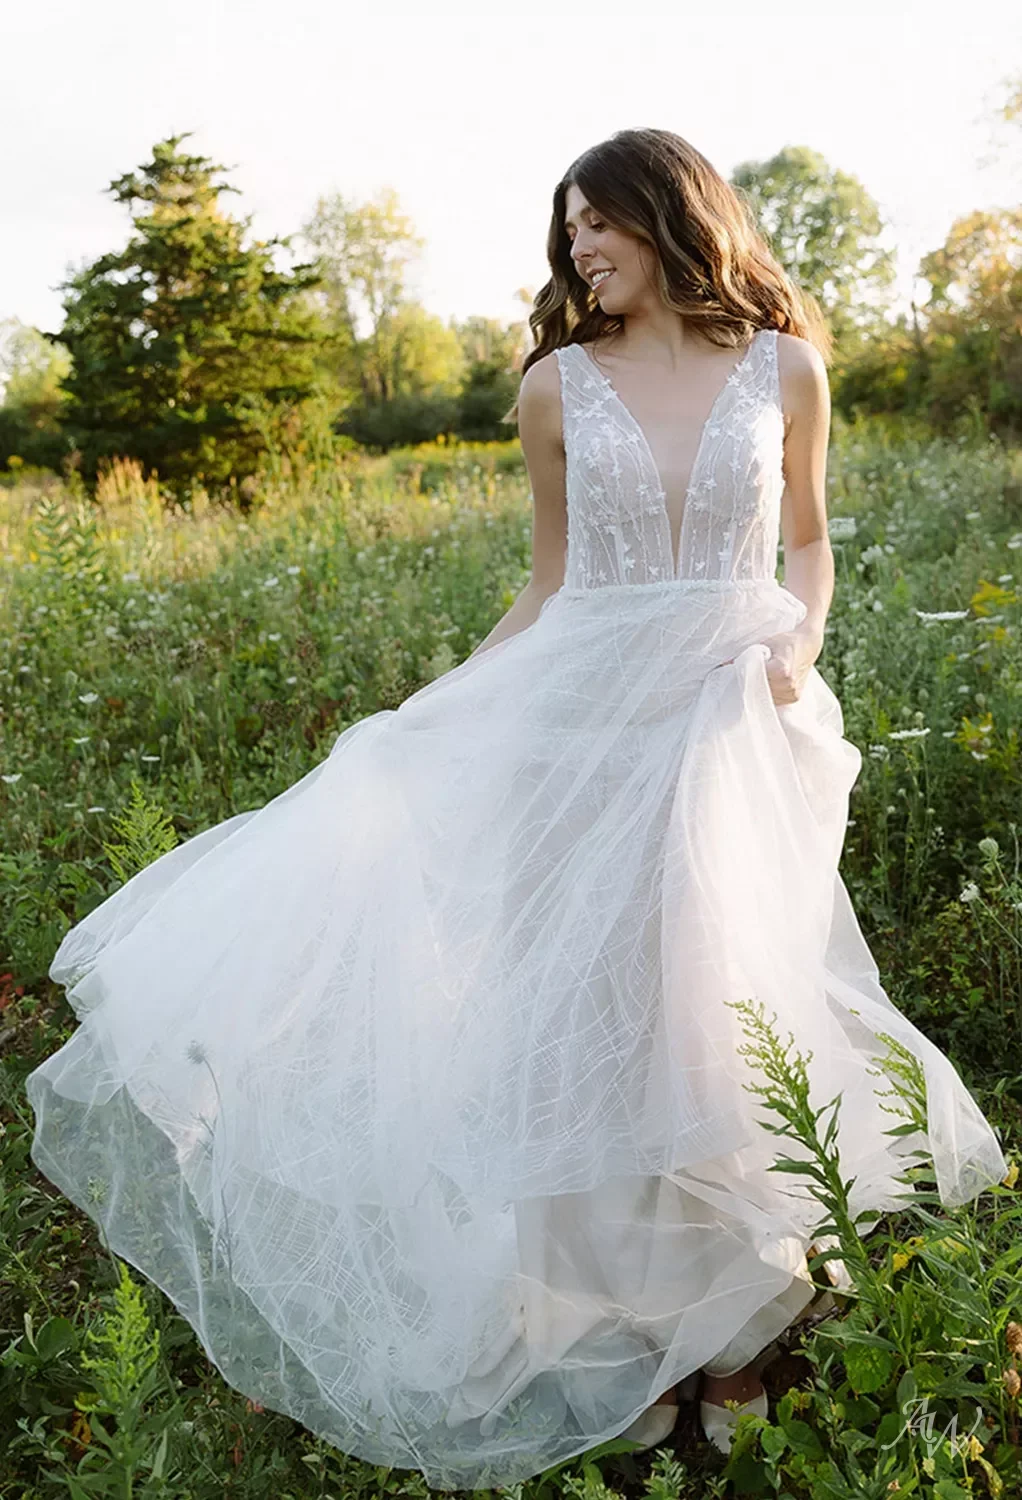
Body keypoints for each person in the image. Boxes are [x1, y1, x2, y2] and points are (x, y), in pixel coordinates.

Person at [25, 127, 1007, 1490]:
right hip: (575, 734)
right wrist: (428, 716)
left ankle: (736, 1325)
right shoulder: (555, 387)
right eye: (570, 230)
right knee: (586, 1025)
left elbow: (807, 539)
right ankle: (627, 1341)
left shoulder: (786, 367)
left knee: (714, 1016)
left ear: (674, 216)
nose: (580, 250)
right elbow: (550, 587)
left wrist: (801, 637)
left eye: (600, 222)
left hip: (728, 727)